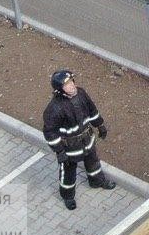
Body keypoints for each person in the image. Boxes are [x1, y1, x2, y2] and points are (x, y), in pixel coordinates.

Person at [42, 70, 117, 210]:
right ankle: (68, 196)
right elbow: (49, 132)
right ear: (60, 90)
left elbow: (92, 109)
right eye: (67, 85)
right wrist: (59, 152)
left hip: (87, 140)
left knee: (93, 163)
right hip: (70, 149)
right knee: (68, 174)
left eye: (71, 82)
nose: (72, 86)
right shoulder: (54, 108)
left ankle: (97, 181)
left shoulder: (81, 94)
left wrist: (100, 125)